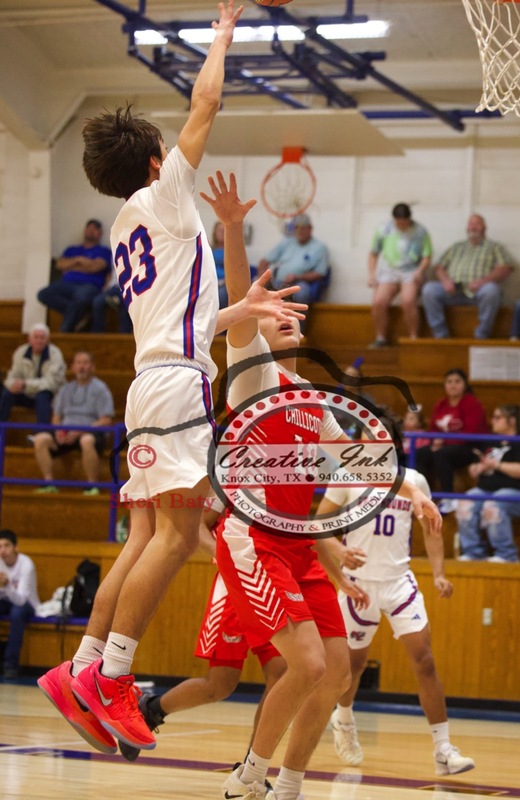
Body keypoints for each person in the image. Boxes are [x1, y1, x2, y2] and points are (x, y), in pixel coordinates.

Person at [36, 1, 306, 759]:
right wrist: (223, 30)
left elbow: (183, 322)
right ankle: (113, 678)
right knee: (180, 532)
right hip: (174, 387)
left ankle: (84, 667)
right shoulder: (165, 197)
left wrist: (238, 308)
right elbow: (208, 101)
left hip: (151, 381)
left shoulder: (129, 225)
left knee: (150, 531)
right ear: (158, 162)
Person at [201, 171, 442, 800]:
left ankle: (289, 785)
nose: (278, 316)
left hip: (299, 546)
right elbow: (238, 302)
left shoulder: (315, 403)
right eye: (269, 313)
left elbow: (365, 464)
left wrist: (415, 493)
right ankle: (248, 776)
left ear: (301, 333)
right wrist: (231, 229)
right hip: (252, 539)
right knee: (305, 663)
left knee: (334, 675)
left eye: (287, 313)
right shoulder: (252, 380)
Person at [318, 468, 475, 777]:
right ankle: (344, 717)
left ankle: (443, 750)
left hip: (398, 583)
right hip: (357, 584)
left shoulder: (415, 480)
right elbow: (318, 525)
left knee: (425, 660)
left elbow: (432, 528)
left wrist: (439, 573)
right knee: (353, 666)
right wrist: (338, 550)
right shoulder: (346, 476)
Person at [118, 496, 286, 763]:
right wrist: (224, 556)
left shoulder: (287, 475)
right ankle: (152, 709)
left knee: (281, 673)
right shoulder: (230, 474)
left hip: (271, 584)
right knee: (220, 685)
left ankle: (253, 768)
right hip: (234, 589)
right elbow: (197, 527)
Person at [456, 404, 520, 563]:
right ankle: (474, 552)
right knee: (465, 502)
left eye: (498, 417)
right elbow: (474, 467)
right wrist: (478, 468)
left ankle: (507, 554)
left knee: (493, 504)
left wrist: (496, 465)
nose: (493, 421)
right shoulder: (490, 442)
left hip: (518, 491)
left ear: (511, 420)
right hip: (486, 488)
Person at [31, 351, 114, 495]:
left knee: (87, 440)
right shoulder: (65, 389)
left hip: (90, 432)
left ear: (92, 367)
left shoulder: (101, 389)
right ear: (73, 367)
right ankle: (49, 483)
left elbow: (106, 419)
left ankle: (92, 485)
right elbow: (56, 416)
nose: (82, 367)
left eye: (85, 363)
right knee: (40, 439)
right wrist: (57, 430)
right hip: (66, 433)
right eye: (78, 363)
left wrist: (82, 431)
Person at [422, 214, 514, 340]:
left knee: (492, 290)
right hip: (453, 291)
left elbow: (506, 268)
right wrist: (446, 281)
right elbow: (439, 267)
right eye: (471, 224)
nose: (473, 227)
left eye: (477, 223)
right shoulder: (456, 247)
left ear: (485, 227)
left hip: (478, 293)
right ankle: (440, 334)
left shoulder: (494, 247)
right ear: (467, 228)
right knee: (429, 289)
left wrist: (482, 282)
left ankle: (482, 334)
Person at [415, 368, 488, 513]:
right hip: (444, 445)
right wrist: (435, 440)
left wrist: (443, 441)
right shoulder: (441, 404)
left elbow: (471, 432)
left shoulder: (471, 403)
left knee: (443, 454)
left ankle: (448, 498)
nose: (453, 385)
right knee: (421, 453)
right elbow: (433, 429)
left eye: (457, 381)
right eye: (449, 382)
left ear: (464, 384)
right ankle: (425, 495)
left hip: (470, 447)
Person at [367, 202, 432, 348]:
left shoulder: (420, 231)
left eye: (405, 223)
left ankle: (413, 338)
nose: (402, 226)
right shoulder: (384, 229)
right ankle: (380, 337)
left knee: (408, 300)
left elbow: (427, 256)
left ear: (410, 219)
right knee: (379, 301)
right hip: (389, 270)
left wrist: (420, 271)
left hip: (411, 270)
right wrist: (372, 274)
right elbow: (373, 253)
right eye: (399, 223)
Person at [37, 219, 112, 332]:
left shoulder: (104, 251)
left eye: (95, 229)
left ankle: (64, 332)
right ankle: (82, 314)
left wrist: (73, 264)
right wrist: (80, 260)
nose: (91, 231)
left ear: (100, 233)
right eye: (89, 228)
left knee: (81, 298)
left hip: (90, 285)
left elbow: (95, 267)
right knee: (43, 294)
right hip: (67, 284)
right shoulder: (72, 249)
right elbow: (60, 265)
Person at [257, 212, 330, 309]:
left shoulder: (319, 247)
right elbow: (264, 261)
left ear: (310, 228)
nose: (300, 231)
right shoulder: (287, 242)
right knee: (253, 286)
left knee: (301, 293)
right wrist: (262, 279)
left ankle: (298, 323)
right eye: (297, 227)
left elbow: (320, 274)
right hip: (277, 280)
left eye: (303, 227)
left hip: (299, 282)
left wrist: (297, 276)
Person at [0, 323, 66, 426]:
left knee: (43, 394)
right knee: (7, 392)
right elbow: (12, 375)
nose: (39, 341)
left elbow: (51, 383)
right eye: (36, 337)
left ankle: (42, 434)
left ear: (48, 340)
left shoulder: (55, 354)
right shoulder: (20, 352)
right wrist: (12, 384)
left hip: (50, 395)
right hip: (26, 393)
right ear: (29, 339)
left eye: (42, 338)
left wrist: (25, 384)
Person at [0, 529, 40, 678]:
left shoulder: (26, 564)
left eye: (6, 545)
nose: (2, 550)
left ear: (15, 547)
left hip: (27, 605)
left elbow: (21, 600)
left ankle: (11, 665)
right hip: (5, 600)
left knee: (17, 613)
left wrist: (6, 585)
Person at [211, 220, 228, 309]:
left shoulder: (231, 252)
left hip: (224, 284)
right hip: (209, 282)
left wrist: (223, 282)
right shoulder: (209, 250)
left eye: (223, 230)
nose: (221, 233)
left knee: (221, 294)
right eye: (219, 231)